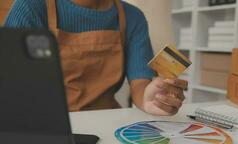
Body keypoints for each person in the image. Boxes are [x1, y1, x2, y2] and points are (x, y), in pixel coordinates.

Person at [5, 0, 188, 116]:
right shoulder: (31, 7)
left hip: (105, 123)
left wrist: (150, 99)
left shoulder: (132, 17)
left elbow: (140, 83)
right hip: (46, 126)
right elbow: (11, 86)